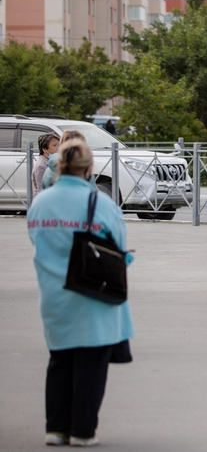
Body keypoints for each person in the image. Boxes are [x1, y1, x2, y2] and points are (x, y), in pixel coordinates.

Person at [27, 139, 134, 447]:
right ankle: (83, 431)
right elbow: (119, 246)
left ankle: (56, 429)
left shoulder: (40, 204)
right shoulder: (101, 204)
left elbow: (35, 238)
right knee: (91, 360)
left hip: (54, 294)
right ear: (89, 169)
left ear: (58, 166)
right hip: (93, 294)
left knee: (59, 358)